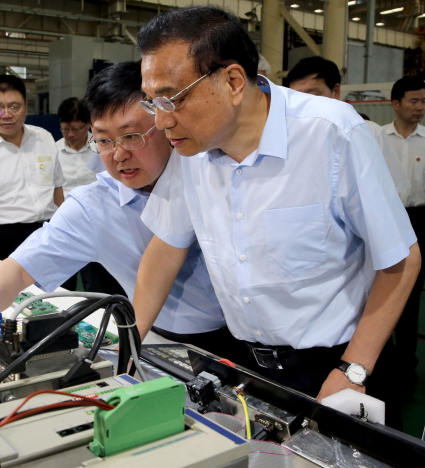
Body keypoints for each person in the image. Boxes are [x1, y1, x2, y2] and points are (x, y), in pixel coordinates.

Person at [132, 6, 419, 428]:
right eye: (152, 101)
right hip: (249, 368)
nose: (161, 121)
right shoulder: (191, 149)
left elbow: (401, 258)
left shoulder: (330, 132)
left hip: (336, 364)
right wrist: (128, 344)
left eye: (172, 98)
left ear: (233, 81)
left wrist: (353, 370)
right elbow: (165, 248)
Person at [0, 61, 228, 357]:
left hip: (250, 333)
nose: (119, 154)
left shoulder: (211, 168)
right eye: (104, 140)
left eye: (131, 136)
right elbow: (17, 269)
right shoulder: (94, 207)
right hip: (167, 340)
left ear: (164, 122)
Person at [0, 75, 64, 260]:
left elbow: (57, 190)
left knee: (61, 280)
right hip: (6, 240)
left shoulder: (44, 138)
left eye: (14, 107)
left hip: (50, 233)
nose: (6, 115)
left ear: (26, 106)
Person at [286, 56, 410, 197]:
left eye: (312, 95)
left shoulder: (369, 132)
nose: (303, 104)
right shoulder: (287, 137)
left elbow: (388, 191)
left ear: (336, 91)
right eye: (295, 97)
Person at [56, 96, 125, 295]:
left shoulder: (102, 148)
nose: (70, 134)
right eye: (65, 129)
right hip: (66, 224)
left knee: (97, 281)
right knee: (63, 284)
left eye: (77, 128)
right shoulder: (55, 150)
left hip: (99, 223)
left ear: (88, 124)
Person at [383, 77, 425, 385]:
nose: (420, 107)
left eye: (424, 101)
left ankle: (408, 364)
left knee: (414, 295)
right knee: (392, 292)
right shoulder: (378, 137)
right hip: (388, 219)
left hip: (422, 218)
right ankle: (389, 362)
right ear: (395, 104)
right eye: (414, 100)